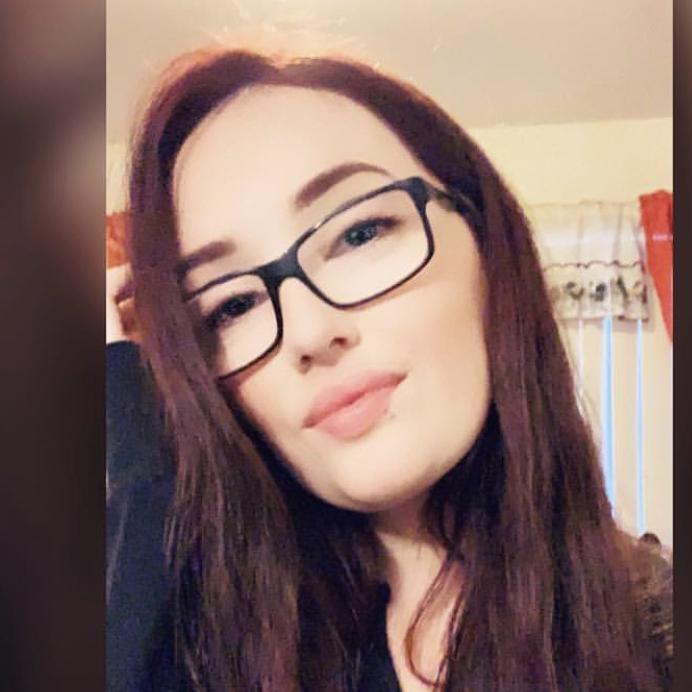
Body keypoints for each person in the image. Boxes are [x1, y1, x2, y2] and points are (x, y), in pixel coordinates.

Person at [106, 47, 672, 692]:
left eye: (360, 234)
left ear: (487, 245)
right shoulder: (206, 653)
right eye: (231, 306)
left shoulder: (655, 628)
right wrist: (126, 397)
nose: (311, 333)